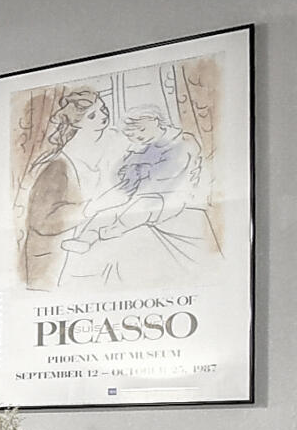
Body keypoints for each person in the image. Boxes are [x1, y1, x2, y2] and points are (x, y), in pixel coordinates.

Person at [57, 108, 214, 290]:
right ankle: (86, 240)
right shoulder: (147, 147)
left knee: (141, 207)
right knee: (108, 210)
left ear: (156, 121)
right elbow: (126, 173)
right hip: (145, 194)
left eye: (142, 131)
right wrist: (129, 169)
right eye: (134, 136)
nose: (139, 137)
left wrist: (143, 170)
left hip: (173, 197)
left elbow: (171, 173)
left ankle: (116, 229)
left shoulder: (183, 142)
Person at [17, 87, 114, 289]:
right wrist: (91, 208)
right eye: (93, 115)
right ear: (77, 124)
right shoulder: (58, 165)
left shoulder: (104, 149)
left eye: (103, 109)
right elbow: (42, 222)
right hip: (51, 262)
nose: (103, 116)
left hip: (82, 255)